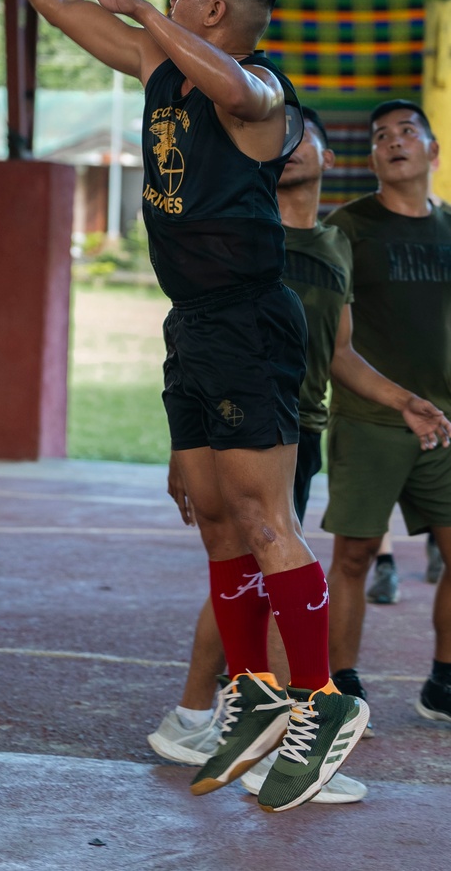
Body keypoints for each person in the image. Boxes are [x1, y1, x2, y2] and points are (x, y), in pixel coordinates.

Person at [0, 0, 367, 812]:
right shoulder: (158, 60)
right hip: (195, 324)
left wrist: (142, 10)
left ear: (212, 8)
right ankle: (250, 688)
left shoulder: (259, 91)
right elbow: (54, 2)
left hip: (252, 323)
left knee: (267, 520)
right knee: (215, 518)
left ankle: (323, 702)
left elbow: (233, 88)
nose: (164, 0)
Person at [149, 106, 451, 800]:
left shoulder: (332, 245)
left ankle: (207, 718)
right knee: (255, 551)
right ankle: (271, 735)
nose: (285, 147)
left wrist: (399, 397)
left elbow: (341, 350)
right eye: (274, 140)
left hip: (298, 422)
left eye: (299, 135)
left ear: (325, 153)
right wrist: (183, 444)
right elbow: (194, 331)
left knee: (257, 559)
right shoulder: (249, 238)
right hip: (246, 417)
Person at [324, 101, 451, 725]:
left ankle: (443, 683)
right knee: (353, 556)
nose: (393, 141)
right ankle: (342, 683)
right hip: (371, 421)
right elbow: (334, 347)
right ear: (372, 159)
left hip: (444, 424)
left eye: (407, 132)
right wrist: (399, 400)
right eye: (381, 137)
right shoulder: (348, 229)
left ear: (432, 152)